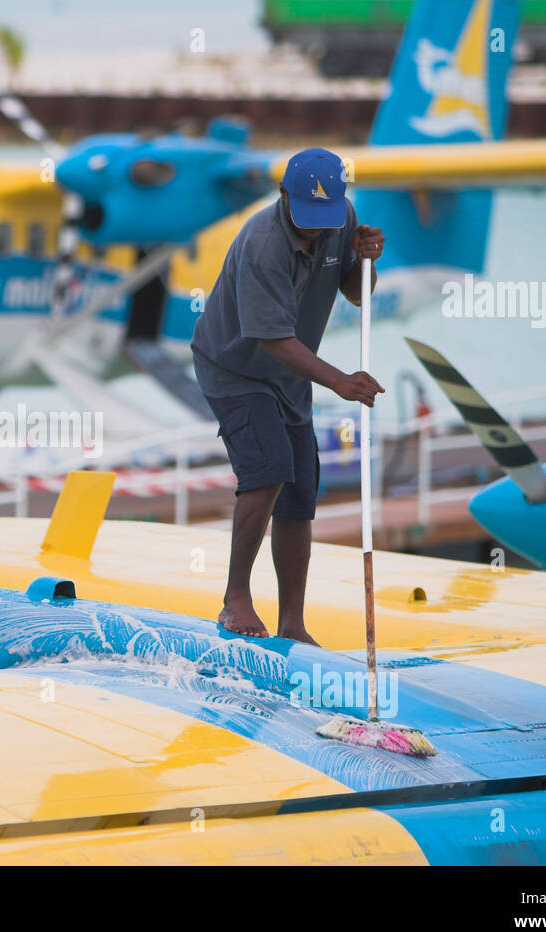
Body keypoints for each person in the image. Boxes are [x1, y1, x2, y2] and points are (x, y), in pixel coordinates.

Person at [190, 147, 385, 643]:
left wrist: (367, 262)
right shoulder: (263, 243)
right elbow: (272, 339)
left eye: (326, 217)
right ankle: (236, 600)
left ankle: (293, 624)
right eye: (307, 217)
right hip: (235, 366)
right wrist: (341, 381)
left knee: (299, 492)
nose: (316, 229)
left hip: (290, 373)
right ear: (283, 195)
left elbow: (357, 294)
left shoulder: (339, 218)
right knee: (269, 466)